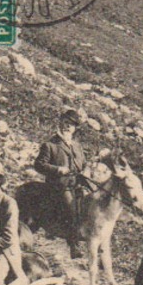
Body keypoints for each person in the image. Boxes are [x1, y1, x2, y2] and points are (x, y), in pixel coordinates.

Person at [34, 108, 88, 258]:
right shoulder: (50, 145)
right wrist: (58, 170)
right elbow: (39, 164)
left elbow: (83, 164)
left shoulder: (77, 146)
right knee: (71, 207)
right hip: (58, 185)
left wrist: (86, 172)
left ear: (75, 128)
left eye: (71, 124)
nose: (67, 126)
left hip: (76, 183)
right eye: (65, 123)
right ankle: (73, 245)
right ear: (60, 123)